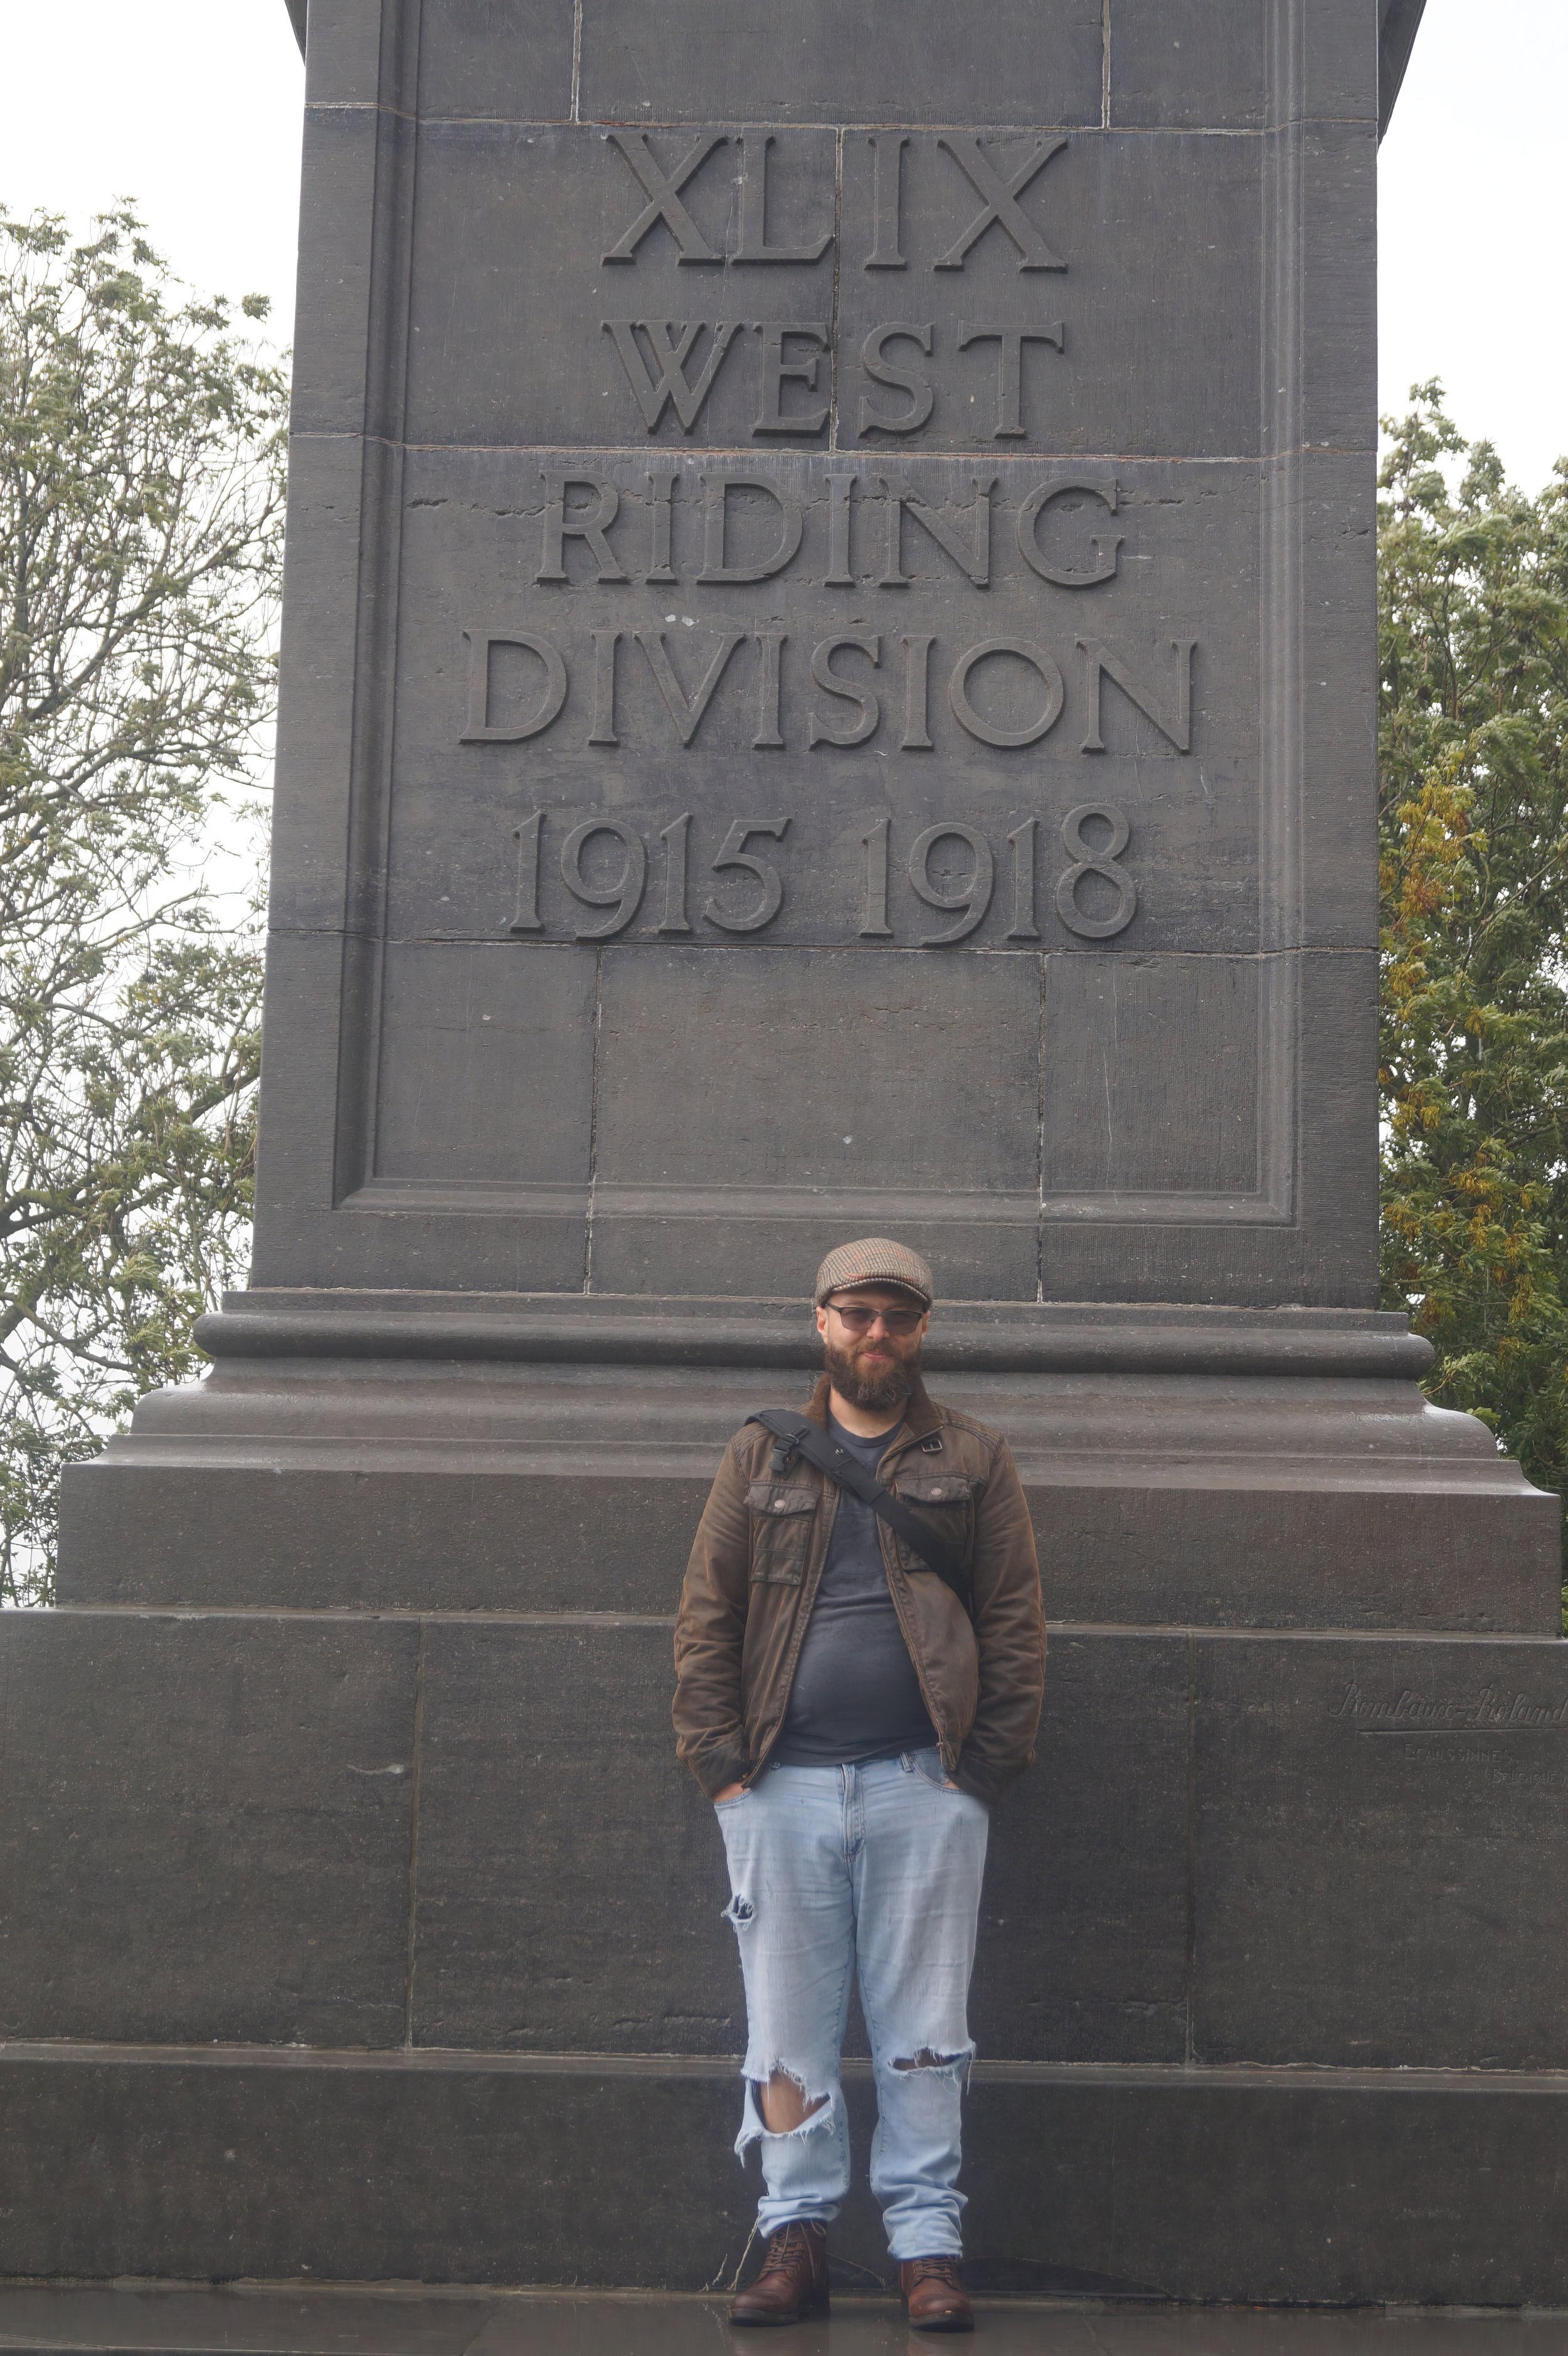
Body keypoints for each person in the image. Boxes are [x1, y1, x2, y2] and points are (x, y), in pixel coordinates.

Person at [673, 1238, 1046, 2332]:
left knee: (926, 2028)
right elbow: (707, 1615)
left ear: (920, 1330)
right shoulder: (762, 1457)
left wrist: (978, 1776)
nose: (875, 1333)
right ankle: (797, 2238)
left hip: (922, 1788)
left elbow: (1018, 1620)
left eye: (896, 1316)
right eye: (856, 1314)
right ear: (821, 1321)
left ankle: (927, 2247)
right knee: (785, 2032)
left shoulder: (974, 1457)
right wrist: (723, 1771)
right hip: (780, 1789)